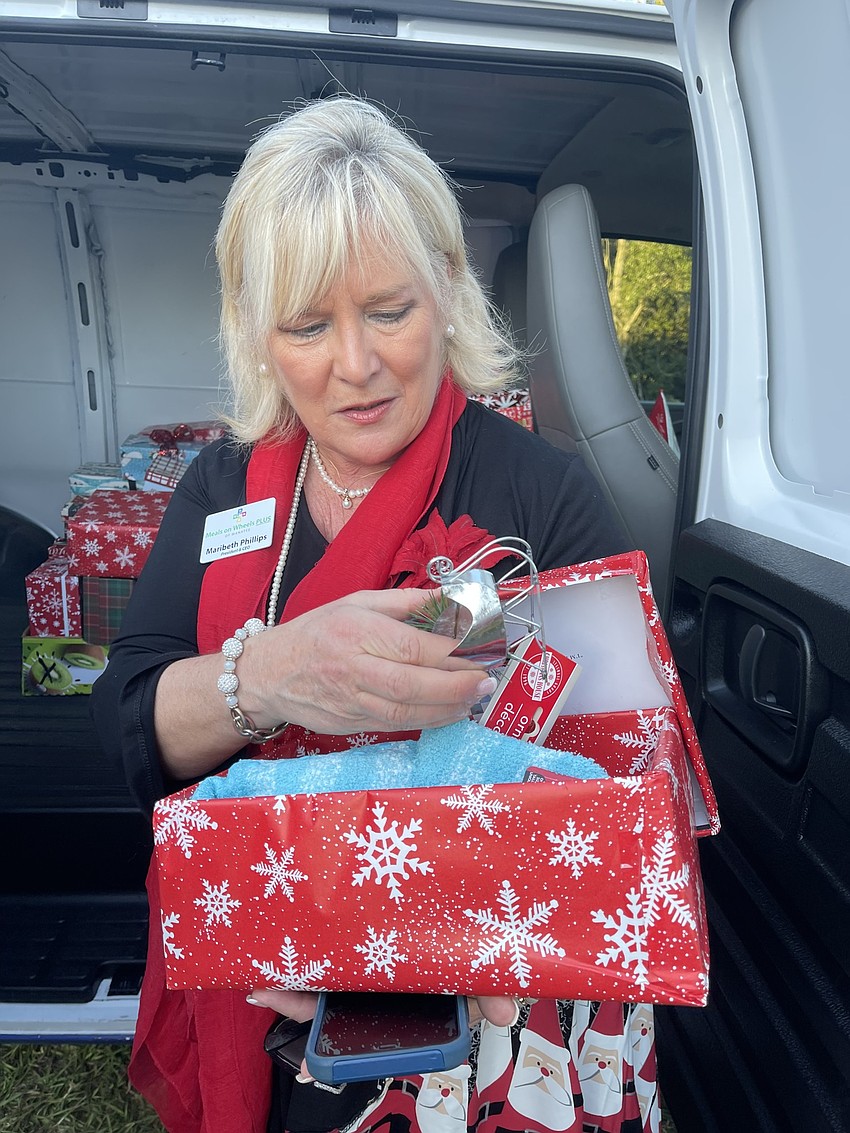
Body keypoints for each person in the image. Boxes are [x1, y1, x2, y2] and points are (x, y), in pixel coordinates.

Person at [92, 96, 648, 1133]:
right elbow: (131, 716)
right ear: (259, 334)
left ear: (445, 286)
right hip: (261, 988)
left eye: (387, 310)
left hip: (479, 1026)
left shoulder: (542, 495)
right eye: (308, 325)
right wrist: (264, 678)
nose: (356, 365)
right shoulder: (221, 490)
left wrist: (394, 957)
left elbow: (613, 795)